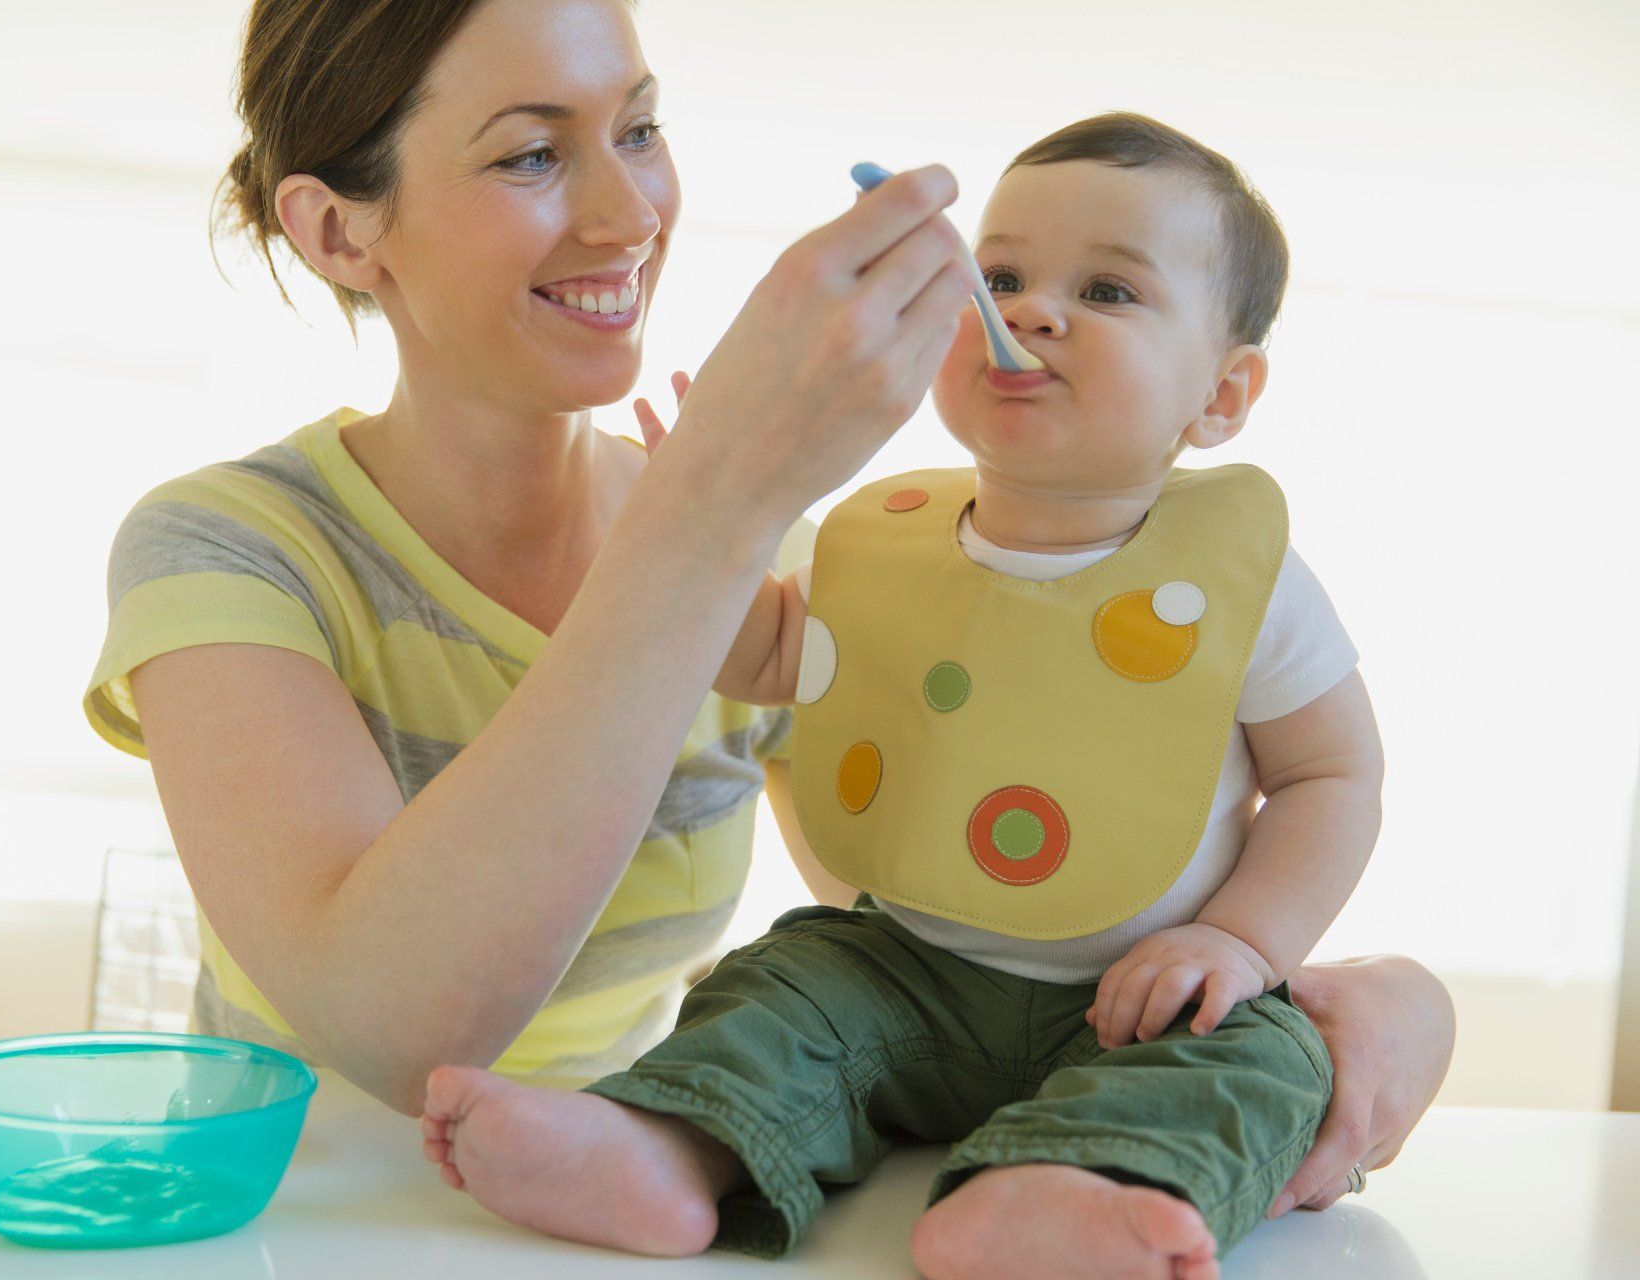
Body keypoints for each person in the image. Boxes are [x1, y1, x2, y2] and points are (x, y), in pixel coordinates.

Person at [80, 0, 1451, 1247]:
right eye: (530, 156)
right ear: (338, 228)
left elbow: (933, 935)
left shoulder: (791, 567)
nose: (629, 213)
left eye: (640, 129)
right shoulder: (232, 548)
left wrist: (1343, 998)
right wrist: (708, 511)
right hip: (293, 1229)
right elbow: (404, 1033)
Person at [419, 112, 1403, 1279]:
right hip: (899, 970)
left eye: (1108, 289)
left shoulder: (1246, 583)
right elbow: (767, 655)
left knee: (1264, 1058)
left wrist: (1240, 943)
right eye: (1002, 277)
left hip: (1140, 997)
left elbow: (1330, 773)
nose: (1034, 309)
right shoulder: (885, 540)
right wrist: (710, 516)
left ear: (1224, 393)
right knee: (782, 985)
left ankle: (1060, 1193)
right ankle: (667, 1150)